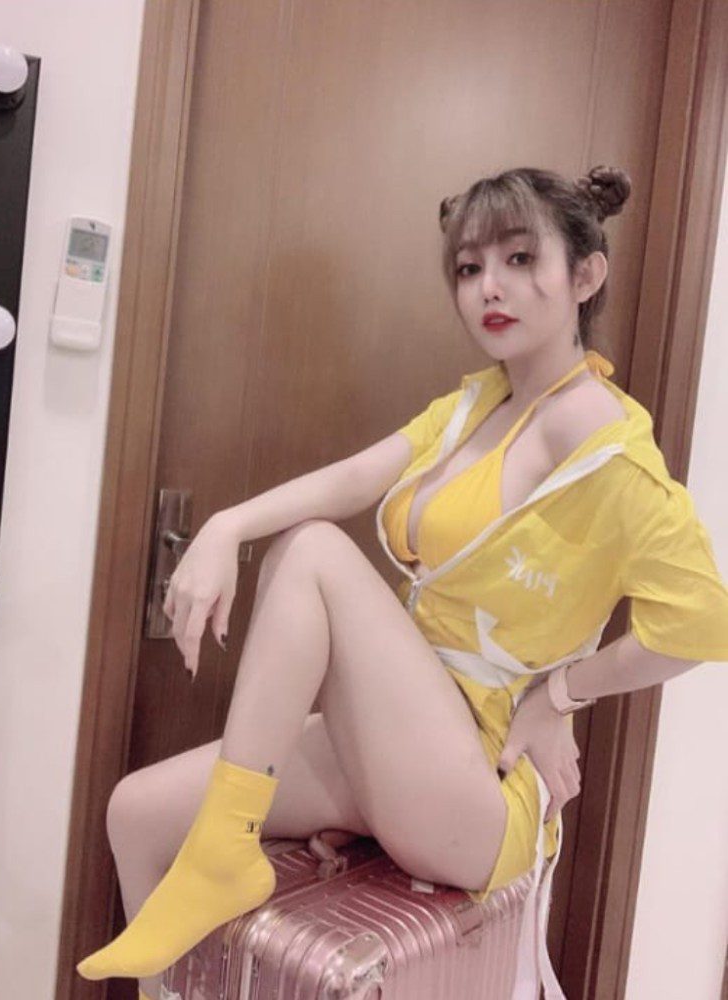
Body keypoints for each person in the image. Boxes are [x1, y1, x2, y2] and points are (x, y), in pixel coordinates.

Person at [76, 165, 728, 1000]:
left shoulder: (602, 441)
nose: (489, 287)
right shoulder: (478, 405)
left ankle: (225, 848)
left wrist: (561, 695)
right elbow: (357, 475)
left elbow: (702, 625)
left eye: (521, 259)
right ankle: (201, 900)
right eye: (469, 267)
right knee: (135, 812)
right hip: (405, 734)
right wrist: (224, 525)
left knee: (313, 554)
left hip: (480, 784)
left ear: (586, 275)